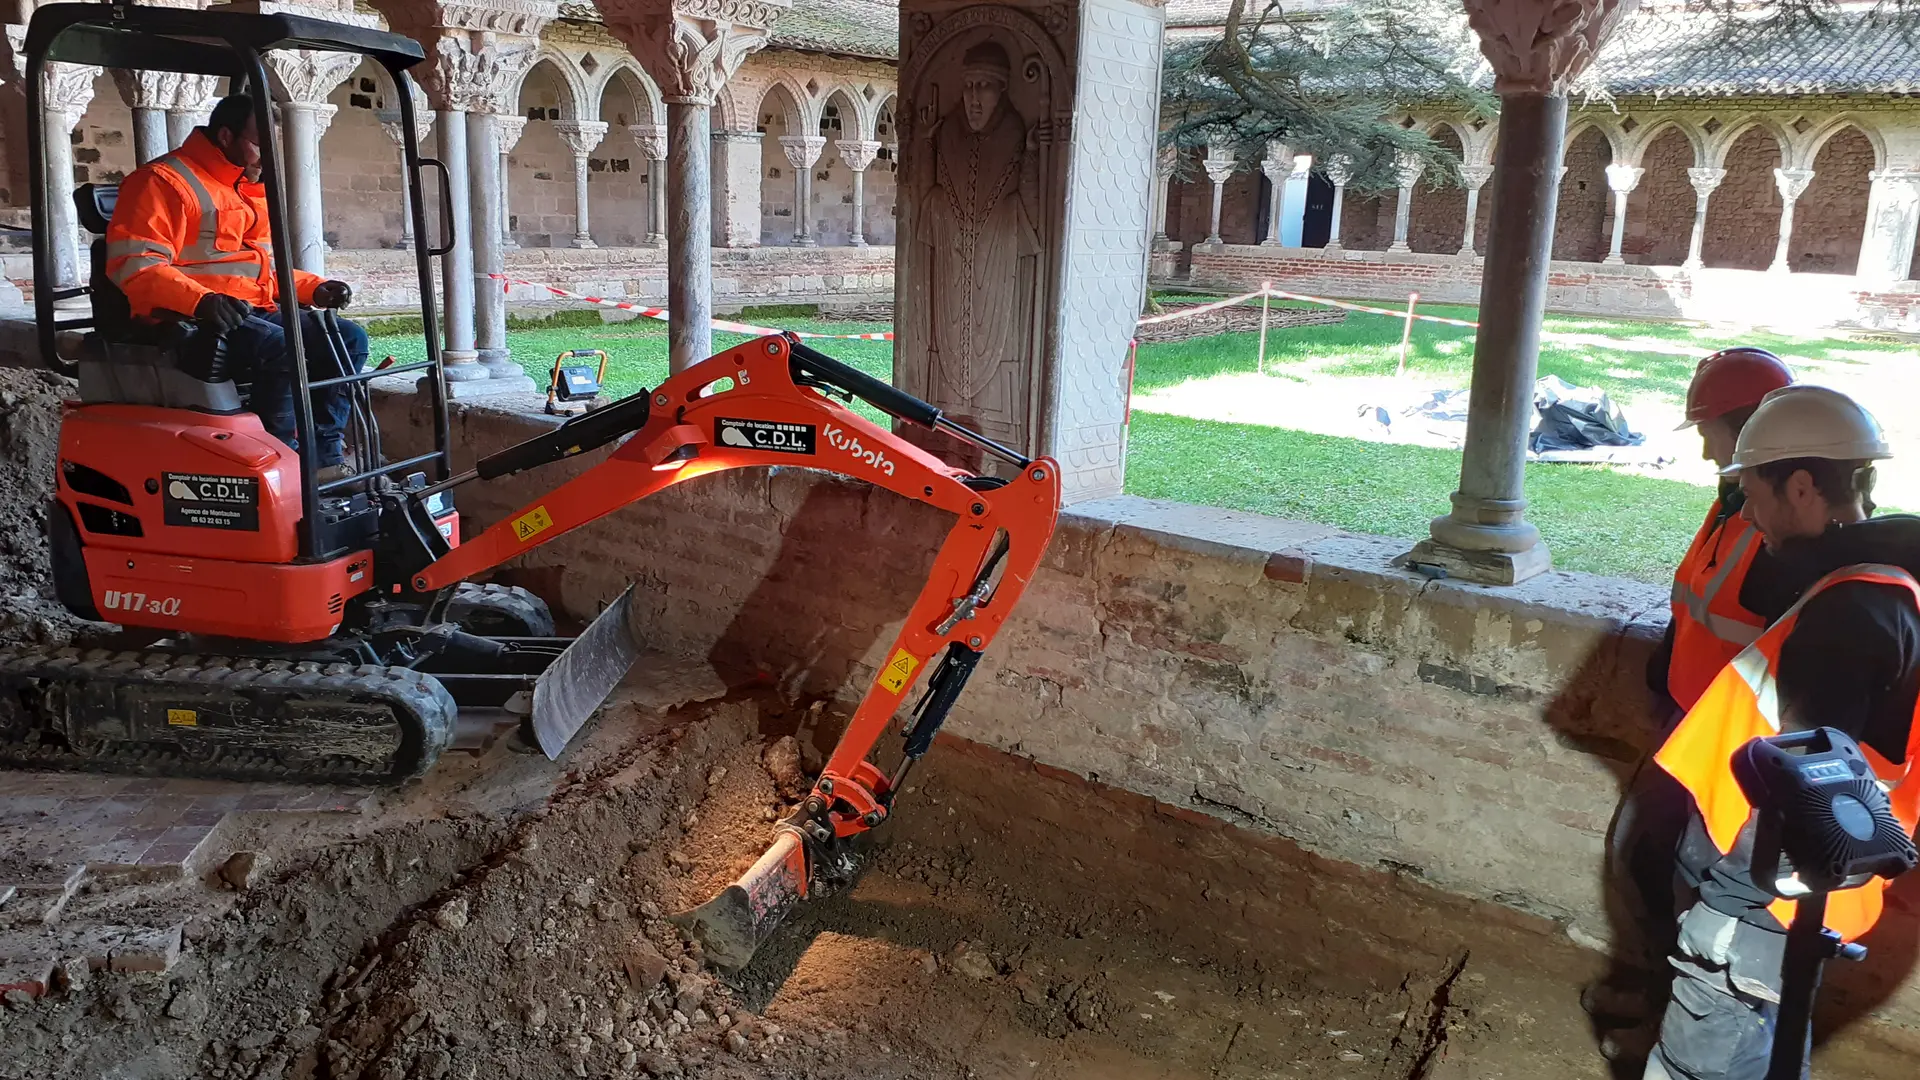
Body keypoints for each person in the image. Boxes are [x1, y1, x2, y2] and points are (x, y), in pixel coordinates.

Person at [1642, 385, 1920, 1080]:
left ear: (1800, 487)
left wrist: (1731, 906)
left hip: (1766, 892)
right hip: (1785, 887)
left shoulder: (1849, 614)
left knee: (1701, 1059)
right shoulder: (1869, 582)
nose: (1746, 515)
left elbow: (1811, 787)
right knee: (1768, 1041)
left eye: (1753, 494)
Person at [1590, 349, 1797, 1056]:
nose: (1705, 447)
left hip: (1734, 749)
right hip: (1689, 722)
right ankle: (1658, 996)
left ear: (1746, 429)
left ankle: (1673, 1021)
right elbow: (1702, 602)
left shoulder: (1778, 532)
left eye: (1709, 430)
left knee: (1692, 885)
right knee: (1645, 859)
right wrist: (1668, 664)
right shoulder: (1733, 501)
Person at [104, 93, 370, 482]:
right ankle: (282, 461)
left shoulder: (243, 188)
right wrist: (201, 301)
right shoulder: (162, 181)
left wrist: (315, 288)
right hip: (185, 315)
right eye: (259, 144)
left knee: (348, 338)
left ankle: (323, 459)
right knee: (282, 345)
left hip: (245, 309)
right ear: (226, 136)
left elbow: (256, 271)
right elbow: (136, 266)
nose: (267, 156)